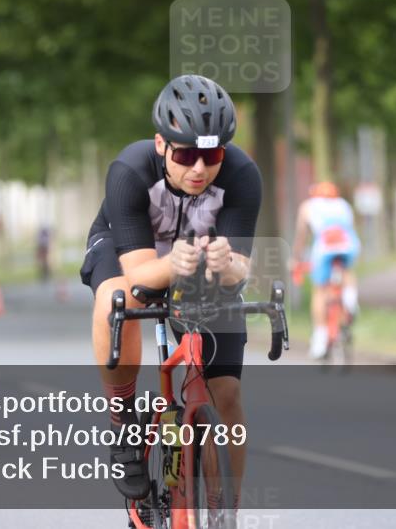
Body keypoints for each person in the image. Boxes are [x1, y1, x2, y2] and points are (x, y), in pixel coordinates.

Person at [80, 74, 261, 502]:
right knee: (116, 299)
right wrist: (171, 265)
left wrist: (227, 264)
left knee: (229, 394)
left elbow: (240, 267)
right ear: (161, 145)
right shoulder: (129, 170)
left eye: (212, 154)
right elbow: (142, 276)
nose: (199, 168)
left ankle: (225, 511)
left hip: (196, 259)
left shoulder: (242, 175)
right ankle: (124, 422)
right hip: (130, 252)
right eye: (186, 154)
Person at [291, 181, 361, 359]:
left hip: (324, 246)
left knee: (320, 290)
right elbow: (351, 228)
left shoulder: (308, 206)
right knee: (346, 270)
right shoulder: (344, 204)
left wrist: (296, 258)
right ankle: (351, 301)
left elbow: (302, 236)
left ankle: (320, 338)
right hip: (348, 243)